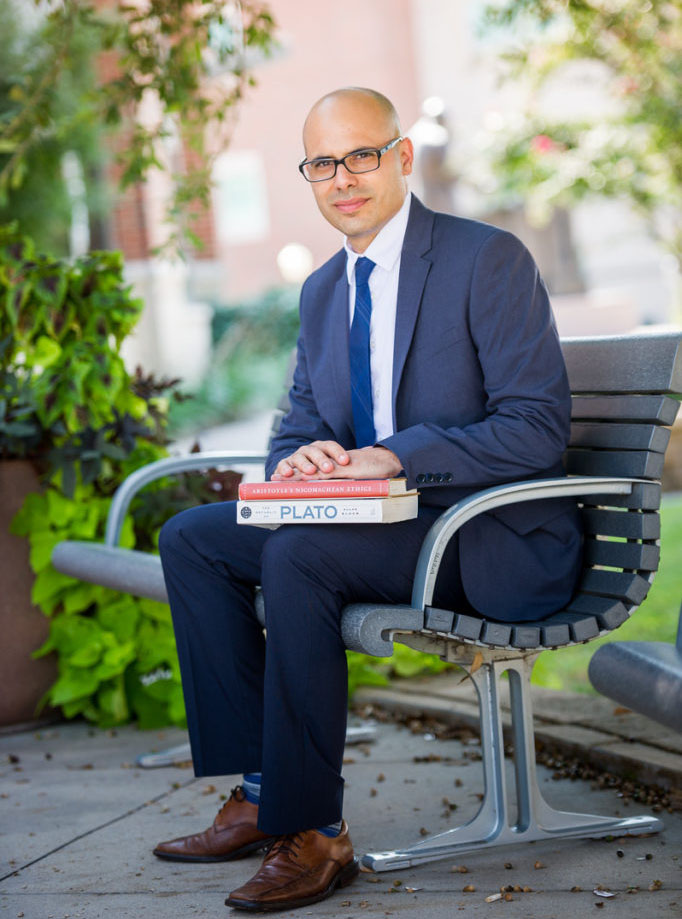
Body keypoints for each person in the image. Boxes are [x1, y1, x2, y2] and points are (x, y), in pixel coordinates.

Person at [154, 87, 582, 912]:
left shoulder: (485, 258)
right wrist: (300, 458)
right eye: (323, 163)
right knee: (193, 537)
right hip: (380, 525)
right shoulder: (323, 290)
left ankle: (314, 832)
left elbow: (536, 428)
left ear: (402, 156)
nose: (343, 178)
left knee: (298, 553)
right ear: (309, 177)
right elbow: (294, 430)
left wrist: (397, 454)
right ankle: (259, 791)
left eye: (361, 155)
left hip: (488, 535)